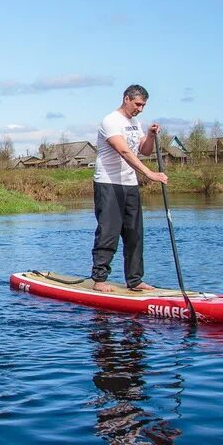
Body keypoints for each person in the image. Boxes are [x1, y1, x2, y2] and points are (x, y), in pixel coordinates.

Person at [91, 85, 168, 293]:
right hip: (108, 183)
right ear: (126, 99)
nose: (140, 109)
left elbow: (142, 149)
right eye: (138, 104)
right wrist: (150, 174)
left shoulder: (135, 123)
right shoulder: (110, 121)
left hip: (129, 184)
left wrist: (150, 136)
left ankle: (134, 280)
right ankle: (99, 279)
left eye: (143, 105)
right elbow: (124, 151)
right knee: (109, 231)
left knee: (134, 233)